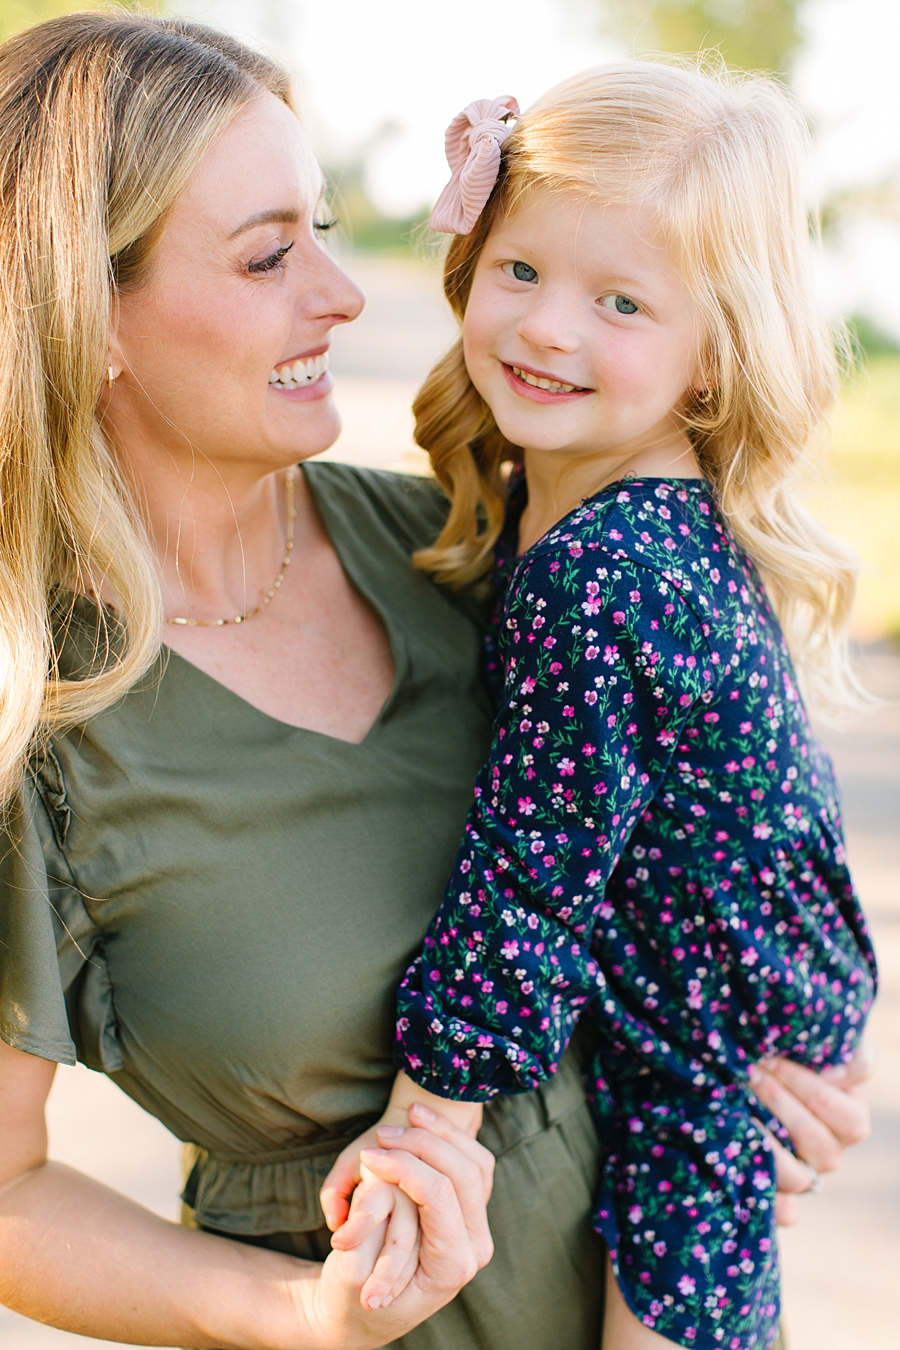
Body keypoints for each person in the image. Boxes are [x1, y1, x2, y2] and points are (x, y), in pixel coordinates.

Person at [0, 16, 871, 1350]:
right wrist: (305, 1307)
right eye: (268, 253)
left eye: (329, 229)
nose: (345, 296)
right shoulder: (36, 721)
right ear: (90, 309)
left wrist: (767, 1058)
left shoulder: (466, 550)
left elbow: (702, 826)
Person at [323, 68, 878, 1350]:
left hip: (710, 1043)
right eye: (520, 270)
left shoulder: (609, 570)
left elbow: (534, 879)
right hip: (723, 977)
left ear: (711, 352)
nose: (548, 329)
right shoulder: (581, 499)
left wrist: (429, 1123)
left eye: (622, 301)